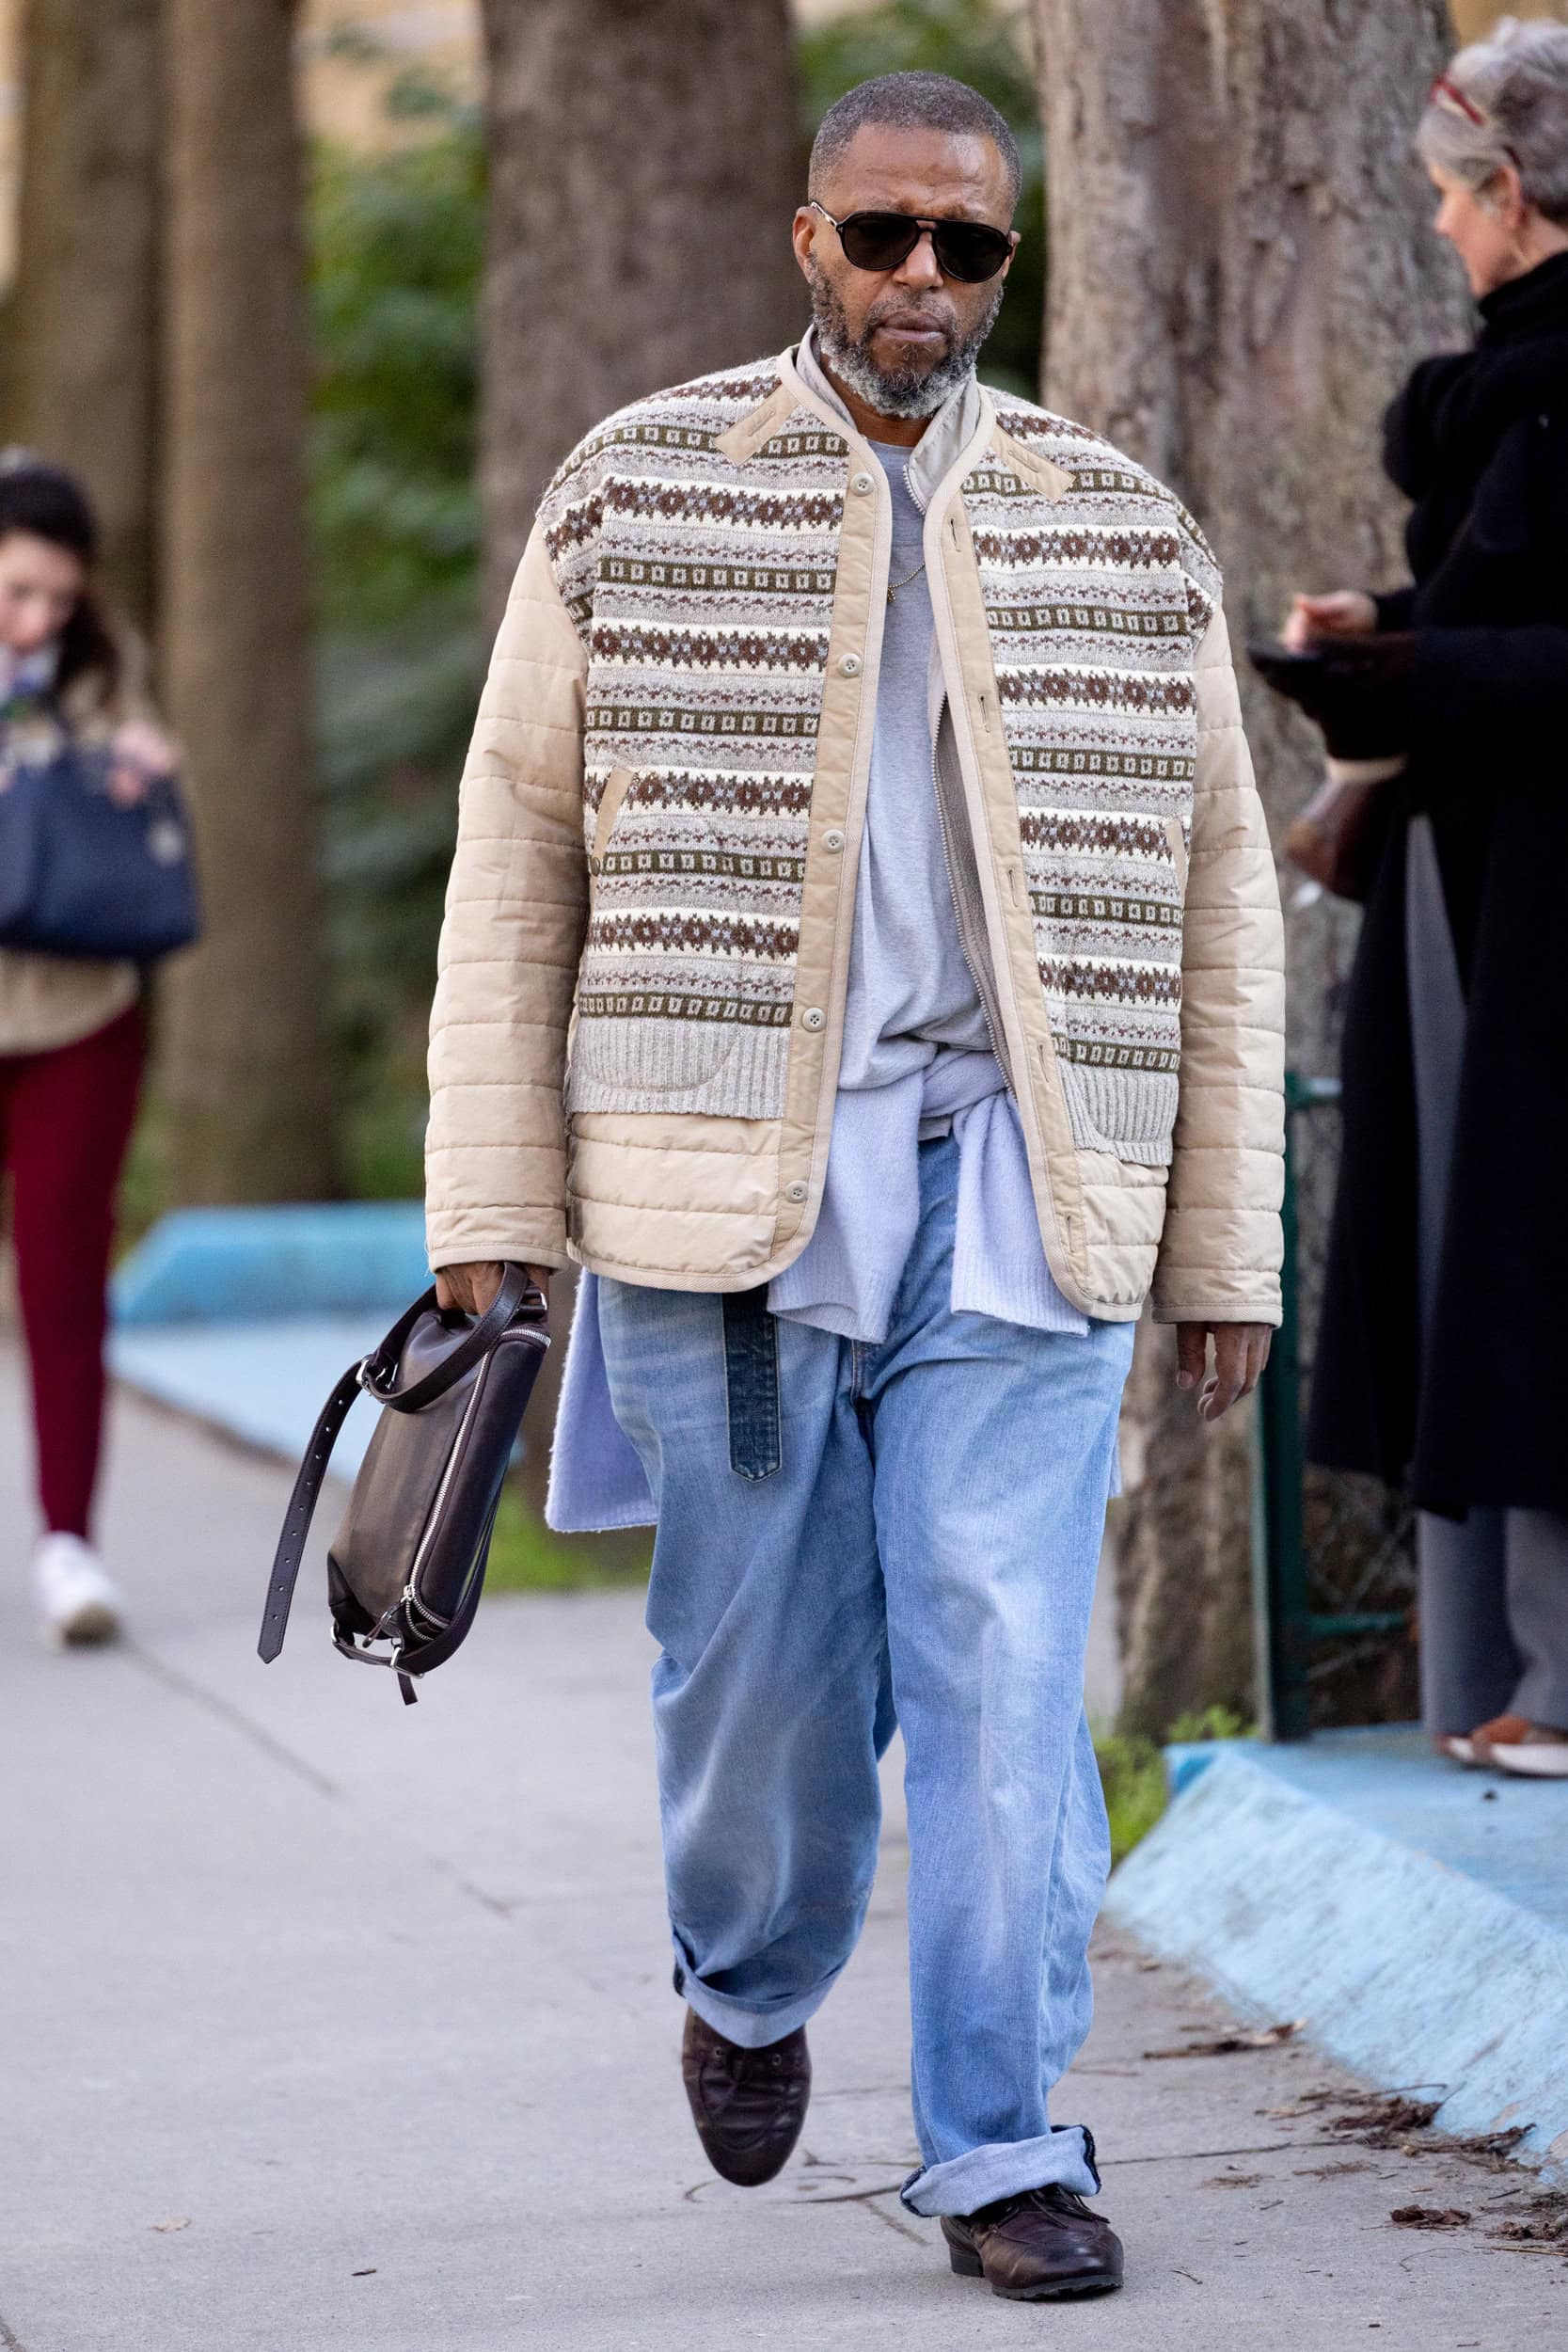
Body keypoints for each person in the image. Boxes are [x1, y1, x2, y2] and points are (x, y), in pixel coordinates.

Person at [426, 72, 1283, 2301]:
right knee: (766, 1690)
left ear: (1009, 263)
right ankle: (744, 1972)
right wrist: (489, 1208)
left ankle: (1007, 2144)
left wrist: (1223, 1243)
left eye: (966, 248)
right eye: (883, 237)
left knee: (1001, 1662)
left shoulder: (1121, 524)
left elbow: (1221, 907)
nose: (923, 282)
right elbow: (512, 863)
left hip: (1023, 1179)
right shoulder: (633, 491)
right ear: (809, 238)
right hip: (727, 1198)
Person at [1291, 18, 1568, 1783]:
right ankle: (1492, 1670)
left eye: (1455, 202)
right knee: (1486, 1259)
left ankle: (1559, 1684)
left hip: (1547, 906)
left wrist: (1406, 675)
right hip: (1483, 878)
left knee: (1539, 1260)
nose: (1446, 237)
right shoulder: (1506, 387)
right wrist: (1381, 642)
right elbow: (1488, 608)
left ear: (1520, 192)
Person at [0, 457, 177, 1645]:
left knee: (64, 1287)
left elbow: (147, 808)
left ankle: (69, 1543)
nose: (40, 620)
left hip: (77, 1015)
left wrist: (139, 768)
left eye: (59, 598)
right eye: (18, 592)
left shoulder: (103, 668)